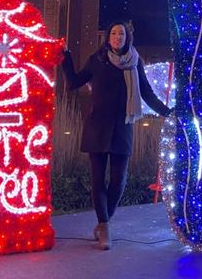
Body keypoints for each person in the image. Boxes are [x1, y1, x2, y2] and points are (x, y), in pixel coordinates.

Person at [62, 22, 171, 250]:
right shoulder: (97, 60)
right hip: (97, 126)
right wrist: (65, 55)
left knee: (119, 181)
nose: (117, 36)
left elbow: (147, 92)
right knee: (98, 179)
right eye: (113, 33)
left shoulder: (134, 62)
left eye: (121, 33)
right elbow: (73, 82)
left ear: (127, 37)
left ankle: (104, 223)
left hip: (123, 126)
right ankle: (105, 226)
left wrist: (166, 112)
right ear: (108, 37)